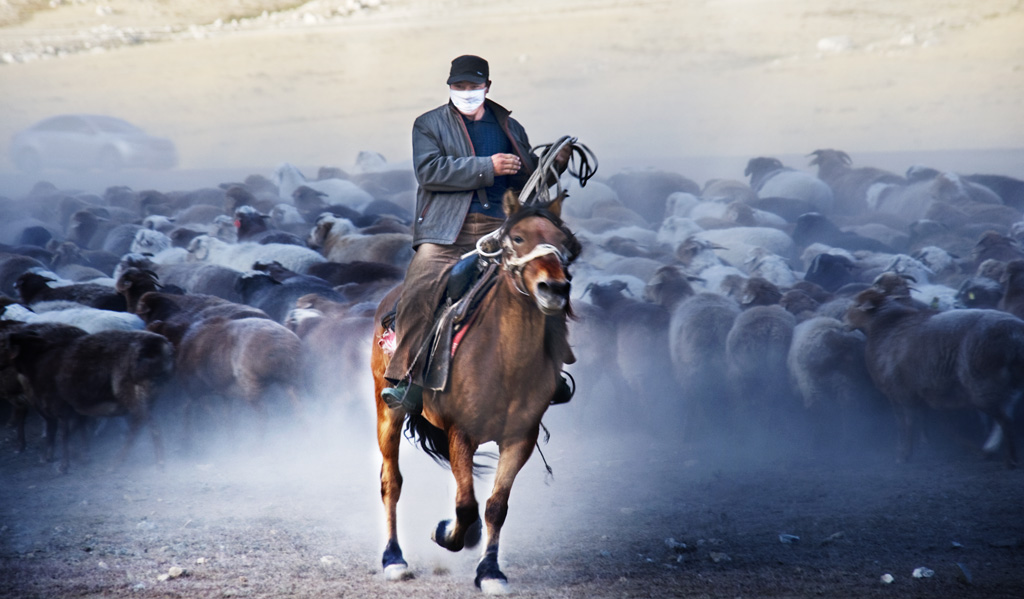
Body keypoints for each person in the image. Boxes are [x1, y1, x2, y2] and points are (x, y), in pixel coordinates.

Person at [381, 54, 569, 413]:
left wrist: (550, 168)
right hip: (448, 231)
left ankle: (552, 370)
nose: (466, 92)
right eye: (459, 86)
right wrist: (488, 166)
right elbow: (430, 171)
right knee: (421, 286)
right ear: (450, 87)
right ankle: (406, 378)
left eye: (473, 86)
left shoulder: (511, 128)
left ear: (487, 87)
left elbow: (525, 184)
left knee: (548, 276)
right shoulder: (428, 124)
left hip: (501, 229)